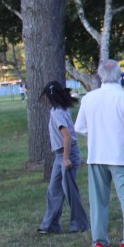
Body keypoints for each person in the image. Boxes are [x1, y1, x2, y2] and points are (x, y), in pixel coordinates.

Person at [74, 59, 124, 247]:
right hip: (123, 157)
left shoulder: (89, 98)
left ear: (100, 75)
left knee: (98, 201)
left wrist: (97, 135)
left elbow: (80, 127)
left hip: (97, 156)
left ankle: (100, 242)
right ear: (120, 75)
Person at [38, 81, 89, 235]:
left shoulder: (58, 112)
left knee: (70, 190)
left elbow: (67, 136)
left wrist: (66, 159)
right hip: (59, 155)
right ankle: (50, 224)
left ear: (50, 96)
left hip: (67, 153)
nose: (45, 99)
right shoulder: (58, 110)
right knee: (54, 189)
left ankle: (79, 224)